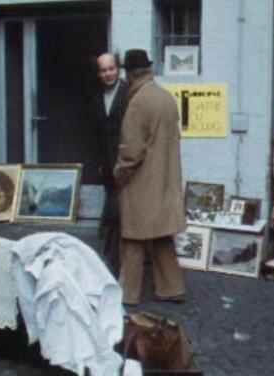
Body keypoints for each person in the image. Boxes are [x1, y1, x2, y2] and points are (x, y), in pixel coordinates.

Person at [113, 49, 186, 305]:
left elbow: (131, 152)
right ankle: (172, 288)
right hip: (164, 179)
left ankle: (128, 295)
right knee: (161, 235)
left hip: (141, 183)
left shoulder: (138, 102)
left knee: (132, 239)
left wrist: (119, 175)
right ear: (147, 70)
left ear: (129, 74)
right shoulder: (166, 98)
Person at [92, 52, 128, 277]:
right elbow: (97, 133)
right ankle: (112, 262)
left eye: (111, 68)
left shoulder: (128, 93)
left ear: (118, 68)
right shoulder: (97, 97)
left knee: (117, 215)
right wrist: (100, 163)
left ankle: (114, 266)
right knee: (113, 213)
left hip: (125, 165)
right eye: (103, 70)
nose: (108, 74)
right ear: (99, 73)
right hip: (107, 165)